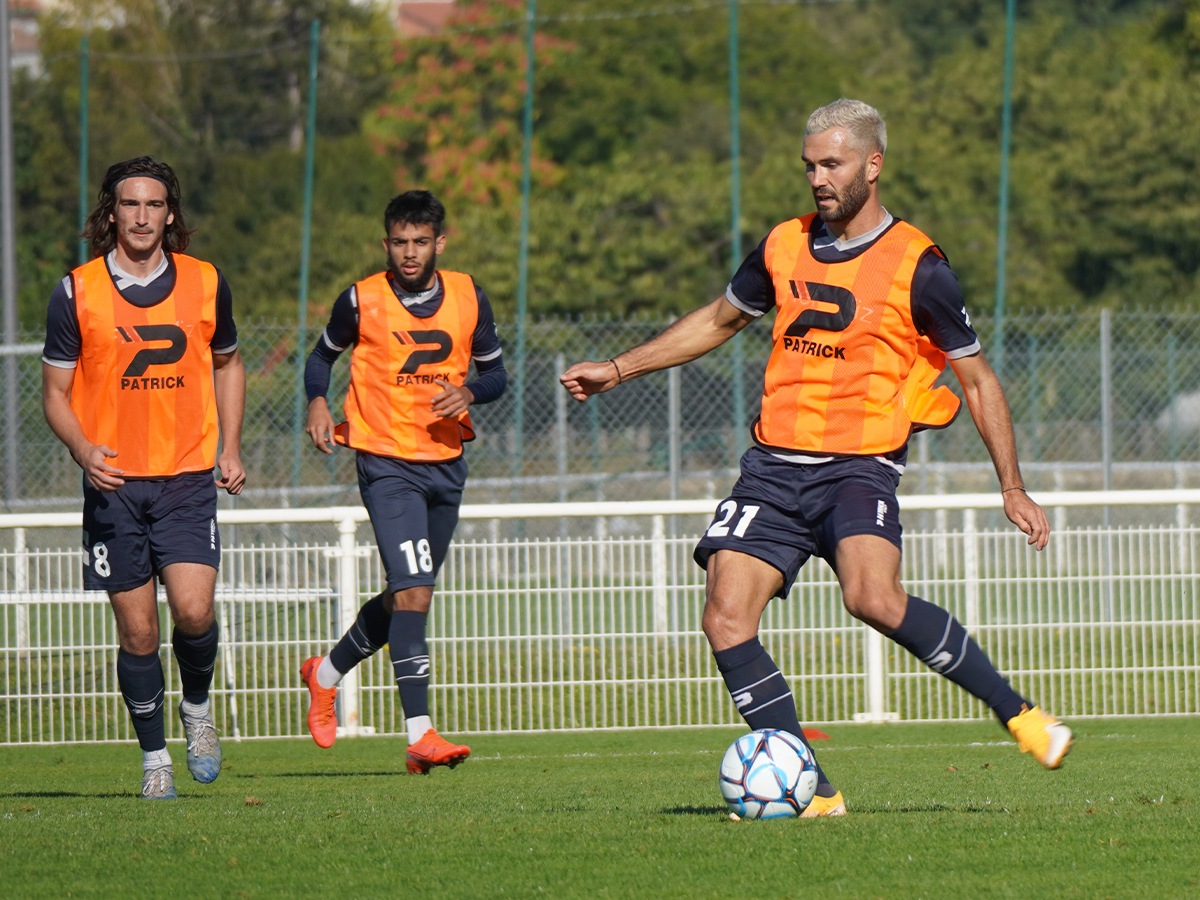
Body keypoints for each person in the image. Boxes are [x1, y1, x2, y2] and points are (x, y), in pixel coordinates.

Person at [560, 99, 1070, 817]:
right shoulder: (782, 244)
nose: (817, 179)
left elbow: (977, 378)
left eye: (831, 163)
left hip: (858, 467)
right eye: (809, 165)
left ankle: (1019, 714)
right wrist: (617, 369)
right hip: (772, 468)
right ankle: (815, 793)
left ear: (872, 164)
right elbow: (718, 319)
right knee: (725, 618)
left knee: (872, 597)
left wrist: (1011, 486)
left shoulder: (921, 266)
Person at [42, 156, 246, 800]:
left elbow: (230, 363)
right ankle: (155, 756)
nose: (141, 215)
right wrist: (82, 449)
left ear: (170, 215)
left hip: (186, 475)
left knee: (192, 609)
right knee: (138, 632)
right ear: (110, 213)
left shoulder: (206, 282)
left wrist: (230, 446)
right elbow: (53, 392)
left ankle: (196, 707)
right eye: (129, 204)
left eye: (153, 204)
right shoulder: (77, 291)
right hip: (115, 486)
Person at [300, 190, 506, 774]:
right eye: (399, 242)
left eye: (420, 242)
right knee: (415, 591)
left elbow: (496, 377)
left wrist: (469, 391)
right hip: (385, 460)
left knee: (405, 597)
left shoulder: (468, 296)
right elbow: (321, 359)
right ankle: (421, 735)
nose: (409, 253)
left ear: (440, 242)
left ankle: (327, 672)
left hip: (445, 461)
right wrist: (318, 403)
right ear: (385, 243)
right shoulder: (361, 300)